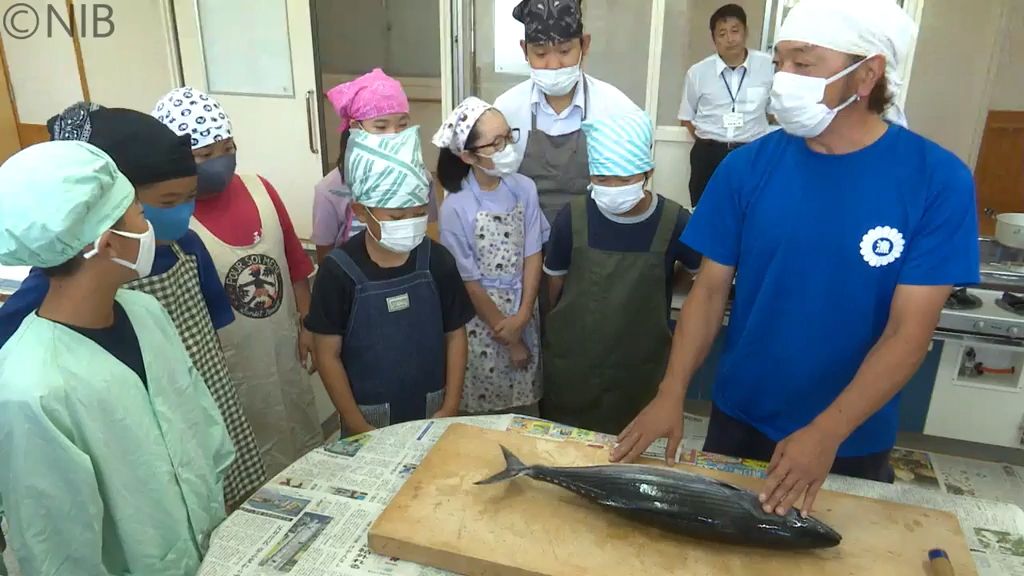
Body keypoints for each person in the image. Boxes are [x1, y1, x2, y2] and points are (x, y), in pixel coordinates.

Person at [612, 0, 979, 520]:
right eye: (780, 61)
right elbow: (709, 290)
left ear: (866, 75)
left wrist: (827, 431)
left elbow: (907, 334)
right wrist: (671, 392)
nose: (783, 79)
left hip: (850, 434)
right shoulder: (747, 168)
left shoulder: (936, 181)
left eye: (803, 65)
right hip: (740, 418)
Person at [0, 103, 266, 509]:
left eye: (190, 197)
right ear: (105, 226)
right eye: (148, 209)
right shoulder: (40, 338)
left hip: (197, 418)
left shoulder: (168, 276)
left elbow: (209, 341)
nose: (182, 212)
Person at [0, 141, 234, 575]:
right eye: (141, 217)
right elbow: (59, 553)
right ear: (109, 244)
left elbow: (196, 424)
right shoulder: (30, 389)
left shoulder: (145, 314)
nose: (150, 229)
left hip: (209, 548)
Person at [153, 87, 322, 476]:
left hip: (283, 344)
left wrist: (306, 321)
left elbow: (295, 263)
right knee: (248, 444)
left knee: (297, 422)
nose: (220, 161)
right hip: (228, 360)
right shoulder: (175, 218)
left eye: (227, 147)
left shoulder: (260, 189)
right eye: (204, 155)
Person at [542, 106, 701, 434]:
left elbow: (700, 277)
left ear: (648, 172)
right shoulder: (573, 218)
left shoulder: (674, 221)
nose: (612, 187)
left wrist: (663, 282)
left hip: (639, 370)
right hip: (575, 367)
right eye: (602, 179)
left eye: (624, 179)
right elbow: (554, 287)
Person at [306, 125, 474, 434]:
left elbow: (455, 336)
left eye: (418, 213)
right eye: (396, 217)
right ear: (360, 211)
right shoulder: (338, 271)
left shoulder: (438, 262)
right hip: (366, 418)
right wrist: (356, 423)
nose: (409, 224)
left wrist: (450, 405)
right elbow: (326, 354)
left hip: (433, 411)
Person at [434, 97, 547, 415]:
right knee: (484, 420)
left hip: (523, 311)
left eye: (508, 138)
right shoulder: (456, 206)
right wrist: (510, 337)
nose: (508, 148)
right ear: (468, 155)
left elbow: (533, 253)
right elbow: (469, 283)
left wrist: (523, 316)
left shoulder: (525, 188)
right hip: (485, 323)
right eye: (496, 144)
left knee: (526, 415)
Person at [494, 0, 637, 226]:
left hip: (592, 239)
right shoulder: (505, 110)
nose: (553, 65)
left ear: (585, 45)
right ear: (524, 50)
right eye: (540, 54)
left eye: (564, 51)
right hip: (524, 238)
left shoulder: (616, 109)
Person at [315, 68, 441, 264]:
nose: (394, 134)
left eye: (402, 124)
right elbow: (326, 256)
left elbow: (429, 234)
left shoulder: (421, 178)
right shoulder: (330, 189)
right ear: (356, 127)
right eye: (381, 126)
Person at [679, 4, 774, 208]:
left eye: (735, 30)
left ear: (745, 32)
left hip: (752, 151)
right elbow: (686, 117)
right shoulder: (698, 73)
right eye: (722, 33)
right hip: (709, 154)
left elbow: (773, 112)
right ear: (714, 39)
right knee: (704, 211)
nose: (730, 39)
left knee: (751, 209)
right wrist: (712, 140)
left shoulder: (768, 67)